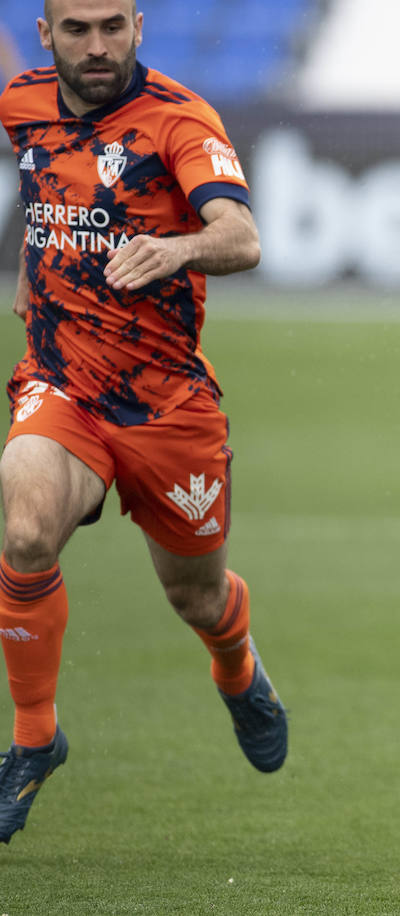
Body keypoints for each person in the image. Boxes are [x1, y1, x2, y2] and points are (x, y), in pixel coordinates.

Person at [0, 0, 286, 845]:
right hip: (59, 384)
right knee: (22, 533)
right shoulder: (21, 103)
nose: (98, 46)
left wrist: (178, 248)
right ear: (46, 34)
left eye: (113, 26)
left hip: (166, 405)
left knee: (195, 596)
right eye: (78, 29)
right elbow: (46, 196)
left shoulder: (178, 120)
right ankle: (34, 738)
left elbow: (243, 237)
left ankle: (238, 672)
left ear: (138, 28)